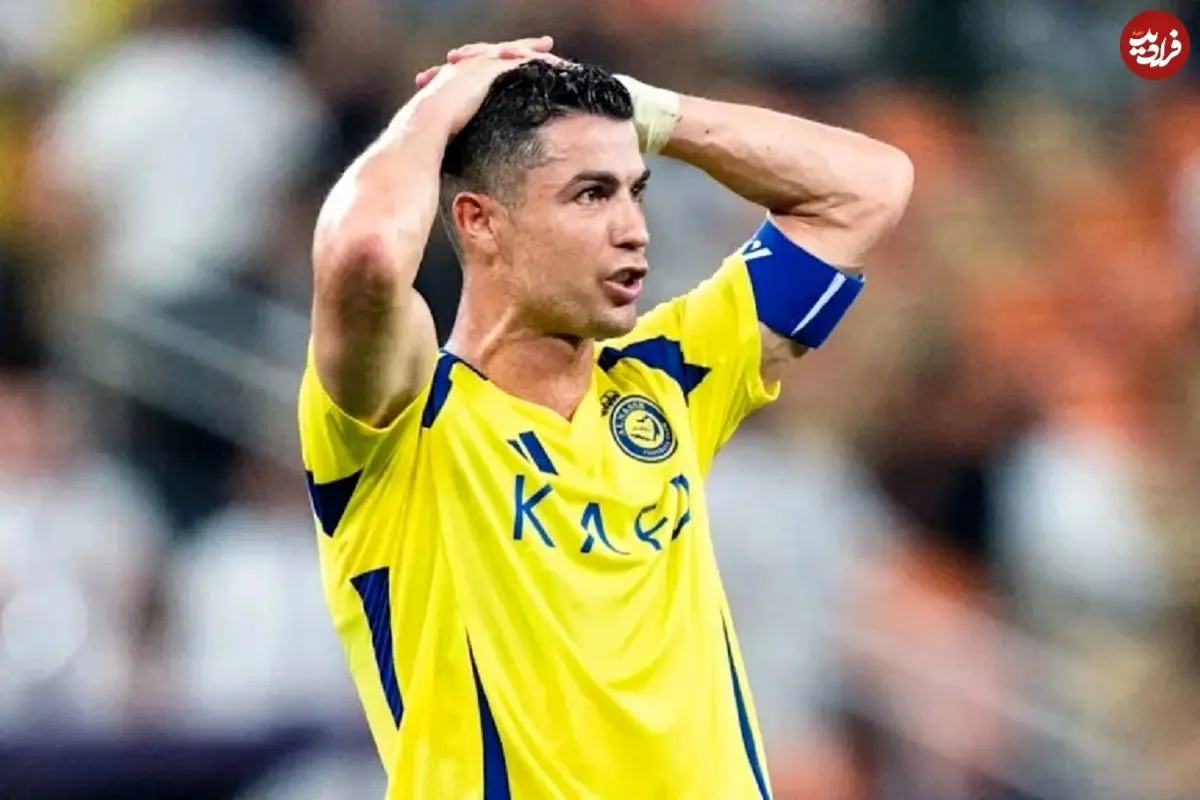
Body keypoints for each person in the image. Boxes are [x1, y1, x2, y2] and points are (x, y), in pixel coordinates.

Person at [298, 35, 911, 799]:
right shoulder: (402, 422)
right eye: (591, 195)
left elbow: (869, 189)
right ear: (480, 221)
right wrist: (440, 106)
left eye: (635, 191)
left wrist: (642, 109)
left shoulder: (671, 376)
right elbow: (364, 254)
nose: (634, 229)